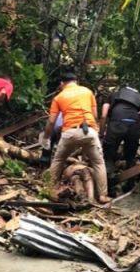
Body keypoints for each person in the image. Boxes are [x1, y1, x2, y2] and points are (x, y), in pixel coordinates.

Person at [44, 73, 110, 204]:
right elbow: (95, 115)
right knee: (98, 163)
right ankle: (102, 196)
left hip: (70, 132)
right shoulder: (87, 91)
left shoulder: (59, 97)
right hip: (89, 132)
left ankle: (49, 189)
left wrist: (46, 137)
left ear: (62, 83)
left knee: (58, 160)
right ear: (76, 81)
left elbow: (51, 122)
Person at [100, 85, 140, 196]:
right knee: (130, 157)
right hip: (134, 124)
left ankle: (110, 189)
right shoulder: (138, 100)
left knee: (109, 155)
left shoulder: (112, 96)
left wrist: (101, 133)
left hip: (117, 123)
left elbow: (104, 115)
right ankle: (130, 185)